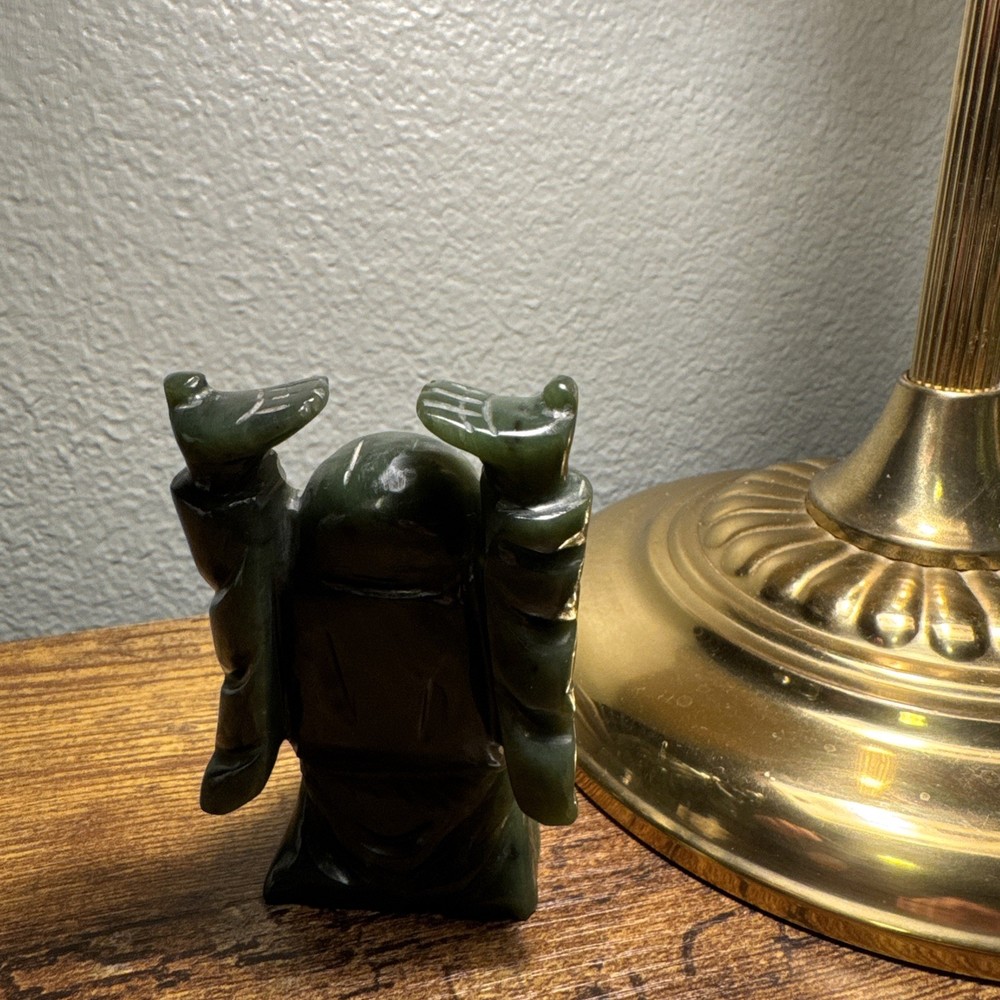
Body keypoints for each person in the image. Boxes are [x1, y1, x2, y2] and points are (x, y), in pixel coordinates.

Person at [165, 371, 591, 919]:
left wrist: (533, 497)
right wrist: (226, 486)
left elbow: (534, 608)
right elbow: (247, 585)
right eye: (343, 601)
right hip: (334, 817)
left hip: (470, 820)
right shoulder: (289, 604)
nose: (386, 664)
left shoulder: (491, 615)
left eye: (421, 605)